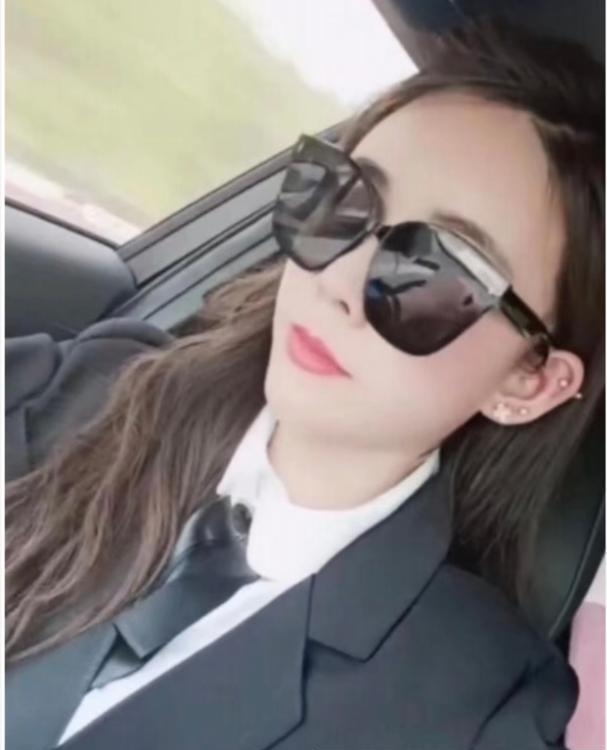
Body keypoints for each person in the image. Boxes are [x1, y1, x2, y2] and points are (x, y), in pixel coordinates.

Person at [5, 21, 604, 750]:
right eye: (341, 203)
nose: (337, 280)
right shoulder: (86, 387)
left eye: (434, 270)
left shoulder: (482, 708)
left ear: (528, 381)